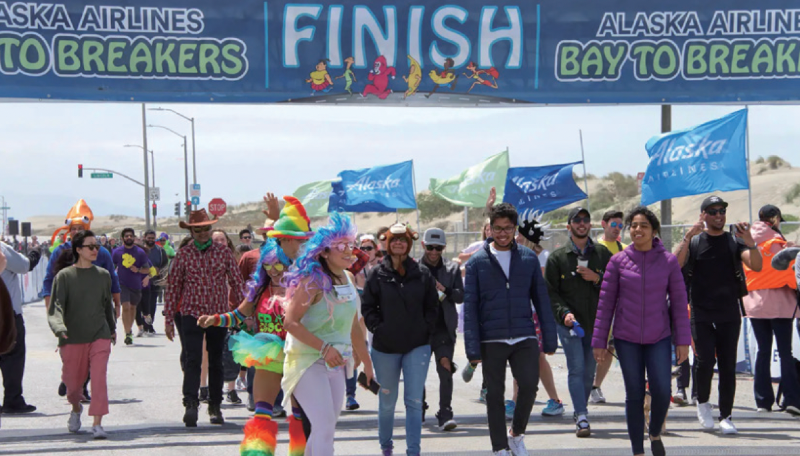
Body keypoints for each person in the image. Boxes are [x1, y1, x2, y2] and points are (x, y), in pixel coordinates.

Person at [592, 206, 691, 456]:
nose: (638, 230)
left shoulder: (668, 261)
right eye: (634, 225)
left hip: (659, 337)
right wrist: (599, 341)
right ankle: (638, 451)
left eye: (643, 225)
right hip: (626, 338)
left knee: (662, 391)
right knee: (634, 394)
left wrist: (683, 340)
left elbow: (679, 303)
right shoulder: (617, 261)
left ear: (654, 230)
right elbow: (605, 304)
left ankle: (655, 432)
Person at [463, 203, 557, 456]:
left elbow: (542, 300)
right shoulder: (476, 262)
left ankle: (516, 435)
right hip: (491, 338)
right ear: (490, 229)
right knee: (494, 395)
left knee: (529, 386)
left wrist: (550, 339)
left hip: (524, 334)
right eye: (497, 228)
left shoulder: (528, 258)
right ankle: (499, 447)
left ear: (515, 229)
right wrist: (472, 349)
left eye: (507, 228)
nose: (502, 233)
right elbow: (470, 308)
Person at [199, 238, 307, 456]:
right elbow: (238, 315)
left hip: (298, 353)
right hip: (268, 353)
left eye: (278, 265)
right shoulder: (259, 290)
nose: (273, 270)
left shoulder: (302, 289)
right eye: (267, 265)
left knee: (300, 415)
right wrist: (215, 319)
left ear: (289, 263)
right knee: (262, 412)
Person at [282, 212, 373, 456]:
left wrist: (367, 362)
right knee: (323, 427)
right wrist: (324, 348)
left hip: (337, 363)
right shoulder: (312, 281)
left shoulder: (349, 278)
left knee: (326, 429)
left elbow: (354, 326)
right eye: (340, 246)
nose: (349, 251)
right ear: (323, 252)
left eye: (350, 245)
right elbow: (290, 322)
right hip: (307, 362)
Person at [674, 196, 762, 434]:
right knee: (704, 361)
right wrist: (688, 236)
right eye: (712, 211)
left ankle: (726, 416)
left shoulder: (734, 241)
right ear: (703, 215)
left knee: (727, 364)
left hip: (729, 311)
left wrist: (750, 242)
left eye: (722, 210)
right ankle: (702, 403)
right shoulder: (695, 241)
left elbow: (756, 266)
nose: (718, 215)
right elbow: (676, 264)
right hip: (700, 310)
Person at [164, 209, 246, 427]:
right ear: (191, 232)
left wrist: (242, 312)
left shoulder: (223, 252)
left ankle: (215, 405)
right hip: (191, 313)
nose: (202, 233)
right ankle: (191, 404)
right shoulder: (183, 254)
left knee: (216, 360)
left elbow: (237, 282)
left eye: (206, 229)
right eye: (197, 230)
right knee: (192, 359)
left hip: (218, 314)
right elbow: (173, 287)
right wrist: (169, 319)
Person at [362, 223, 438, 456]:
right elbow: (368, 308)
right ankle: (386, 446)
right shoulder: (377, 273)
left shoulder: (423, 273)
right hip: (385, 347)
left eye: (403, 239)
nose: (398, 243)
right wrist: (379, 328)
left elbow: (432, 307)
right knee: (387, 402)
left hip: (417, 346)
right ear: (386, 243)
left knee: (414, 401)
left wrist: (425, 330)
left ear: (409, 244)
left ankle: (413, 451)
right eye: (394, 239)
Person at [42, 200, 120, 400]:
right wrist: (49, 305)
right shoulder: (60, 251)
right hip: (68, 309)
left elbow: (112, 279)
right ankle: (70, 376)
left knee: (92, 350)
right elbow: (49, 280)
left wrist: (117, 303)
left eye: (80, 229)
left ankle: (81, 386)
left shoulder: (101, 253)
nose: (76, 232)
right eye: (73, 229)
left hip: (95, 309)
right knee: (70, 348)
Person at [545, 207, 612, 438]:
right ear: (569, 226)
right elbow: (550, 292)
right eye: (577, 220)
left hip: (596, 323)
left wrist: (597, 278)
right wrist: (564, 313)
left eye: (585, 220)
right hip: (569, 325)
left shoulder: (602, 254)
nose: (581, 223)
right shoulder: (557, 257)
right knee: (576, 368)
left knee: (589, 371)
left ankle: (579, 410)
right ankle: (582, 415)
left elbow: (616, 284)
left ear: (590, 225)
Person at [47, 230, 116, 439]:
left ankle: (97, 423)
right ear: (78, 250)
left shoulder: (103, 276)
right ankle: (76, 408)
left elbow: (107, 305)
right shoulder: (64, 277)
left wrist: (112, 328)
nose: (96, 250)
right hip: (72, 336)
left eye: (97, 246)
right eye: (91, 246)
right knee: (73, 385)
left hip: (100, 334)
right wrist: (59, 327)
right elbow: (56, 306)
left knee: (99, 378)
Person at [742, 205, 800, 416]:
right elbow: (791, 277)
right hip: (780, 305)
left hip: (754, 304)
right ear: (774, 219)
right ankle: (792, 399)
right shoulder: (779, 244)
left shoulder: (747, 242)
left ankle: (763, 401)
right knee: (785, 352)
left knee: (762, 351)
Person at [512, 214, 564, 418]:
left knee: (536, 358)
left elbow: (538, 286)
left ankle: (553, 400)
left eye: (519, 234)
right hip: (519, 312)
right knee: (521, 357)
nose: (516, 237)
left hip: (535, 314)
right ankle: (517, 401)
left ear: (528, 237)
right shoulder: (517, 254)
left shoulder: (541, 257)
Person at [417, 228, 464, 431]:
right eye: (430, 247)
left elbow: (461, 296)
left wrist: (444, 289)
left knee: (445, 371)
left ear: (444, 247)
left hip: (444, 329)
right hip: (419, 331)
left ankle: (445, 413)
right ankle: (418, 409)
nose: (434, 252)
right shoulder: (413, 268)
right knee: (417, 373)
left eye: (438, 248)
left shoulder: (452, 269)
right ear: (423, 246)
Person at [588, 210, 628, 403]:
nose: (617, 229)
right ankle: (586, 384)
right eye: (613, 224)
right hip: (596, 307)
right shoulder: (593, 248)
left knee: (610, 348)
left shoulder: (625, 249)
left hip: (619, 308)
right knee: (595, 347)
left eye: (620, 225)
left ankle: (595, 386)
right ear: (604, 224)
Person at [0, 242, 40, 415]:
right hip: (7, 313)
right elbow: (24, 266)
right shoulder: (1, 248)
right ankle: (12, 399)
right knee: (13, 356)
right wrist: (35, 253)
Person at [112, 228, 155, 345]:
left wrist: (138, 270)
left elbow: (148, 269)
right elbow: (111, 267)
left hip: (136, 285)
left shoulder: (140, 252)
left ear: (134, 237)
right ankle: (127, 333)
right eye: (126, 236)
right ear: (122, 238)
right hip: (122, 284)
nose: (129, 238)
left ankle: (129, 329)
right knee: (125, 307)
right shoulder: (117, 252)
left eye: (131, 236)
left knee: (132, 308)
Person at [142, 230, 169, 335]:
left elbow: (165, 265)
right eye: (148, 238)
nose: (150, 240)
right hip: (142, 281)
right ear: (144, 238)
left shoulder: (160, 251)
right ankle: (143, 324)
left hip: (155, 281)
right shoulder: (140, 250)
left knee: (152, 304)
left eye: (152, 238)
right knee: (143, 304)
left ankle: (149, 325)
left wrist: (160, 271)